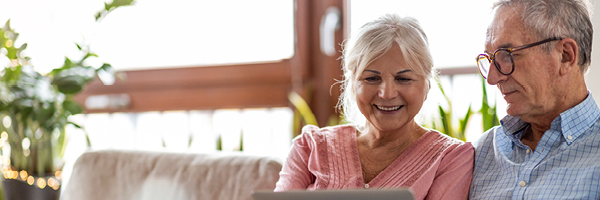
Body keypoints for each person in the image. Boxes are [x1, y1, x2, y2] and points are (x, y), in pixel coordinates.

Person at [274, 13, 474, 200]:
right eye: (371, 78)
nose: (387, 93)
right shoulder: (310, 147)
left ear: (428, 84)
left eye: (403, 78)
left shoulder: (451, 158)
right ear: (353, 84)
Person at [470, 0, 599, 199]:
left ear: (565, 56)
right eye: (490, 60)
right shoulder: (481, 152)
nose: (493, 78)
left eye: (506, 55)